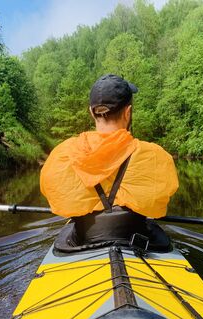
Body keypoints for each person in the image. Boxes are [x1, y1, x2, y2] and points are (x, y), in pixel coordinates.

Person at [40, 74, 178, 251]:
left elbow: (52, 194)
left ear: (92, 112)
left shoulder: (62, 155)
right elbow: (163, 200)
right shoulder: (156, 156)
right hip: (138, 241)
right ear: (128, 113)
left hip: (82, 244)